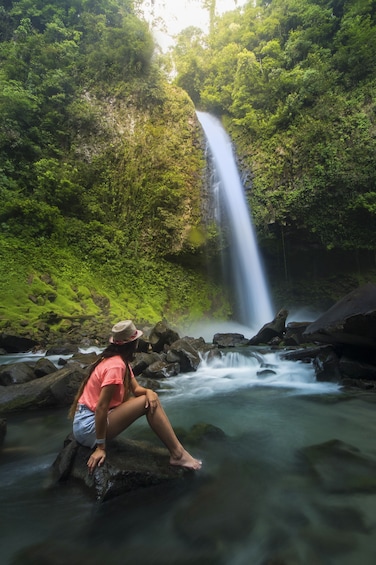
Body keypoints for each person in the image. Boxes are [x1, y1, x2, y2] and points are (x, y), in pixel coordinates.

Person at [69, 320, 202, 473]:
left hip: (87, 421)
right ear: (133, 343)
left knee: (149, 399)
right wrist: (100, 447)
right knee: (147, 402)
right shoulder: (116, 365)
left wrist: (150, 392)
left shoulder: (120, 361)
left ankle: (178, 452)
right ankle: (178, 454)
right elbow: (101, 407)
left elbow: (137, 389)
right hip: (88, 427)